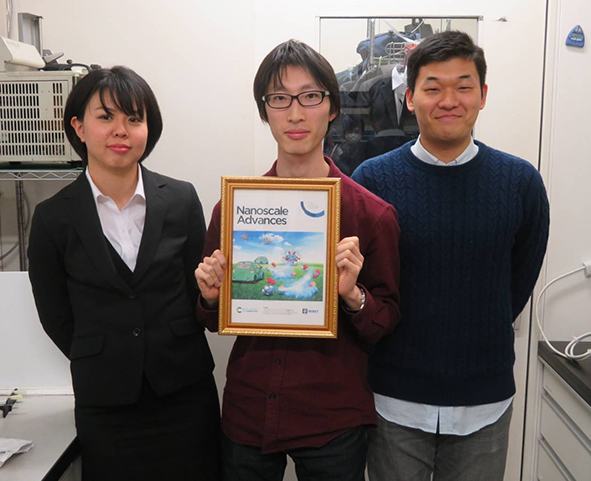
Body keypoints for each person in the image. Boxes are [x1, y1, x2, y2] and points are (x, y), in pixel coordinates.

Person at [195, 39, 401, 481]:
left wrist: (353, 296)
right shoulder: (234, 209)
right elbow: (212, 320)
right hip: (249, 412)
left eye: (310, 97)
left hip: (333, 420)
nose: (294, 114)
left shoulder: (371, 214)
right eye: (279, 99)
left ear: (332, 108)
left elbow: (385, 321)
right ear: (264, 110)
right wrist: (211, 298)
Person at [352, 31, 550, 481]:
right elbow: (365, 285)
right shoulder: (372, 180)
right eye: (433, 87)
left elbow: (519, 277)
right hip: (394, 400)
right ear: (410, 97)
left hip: (485, 403)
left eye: (463, 87)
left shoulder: (520, 183)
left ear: (482, 95)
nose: (448, 101)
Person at [28, 66, 220, 481]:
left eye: (134, 118)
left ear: (149, 129)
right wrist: (104, 355)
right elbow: (56, 315)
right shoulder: (52, 218)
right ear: (79, 127)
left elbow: (198, 295)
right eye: (106, 117)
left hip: (185, 396)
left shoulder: (181, 199)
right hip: (106, 405)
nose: (121, 130)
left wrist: (211, 297)